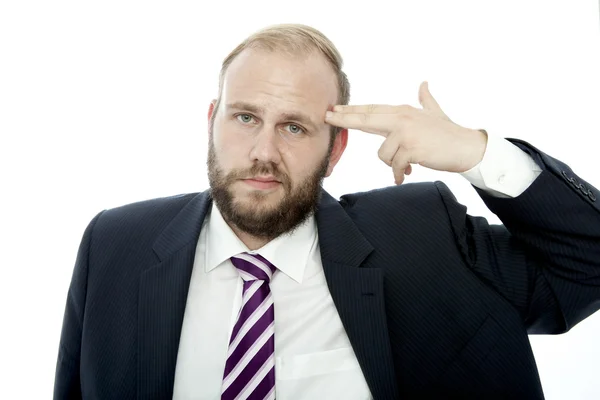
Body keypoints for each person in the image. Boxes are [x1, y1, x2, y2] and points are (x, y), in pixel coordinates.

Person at [53, 23, 600, 400]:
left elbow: (588, 262)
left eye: (295, 127)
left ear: (336, 149)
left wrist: (475, 153)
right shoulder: (114, 243)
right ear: (212, 121)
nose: (264, 150)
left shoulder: (423, 236)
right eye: (246, 118)